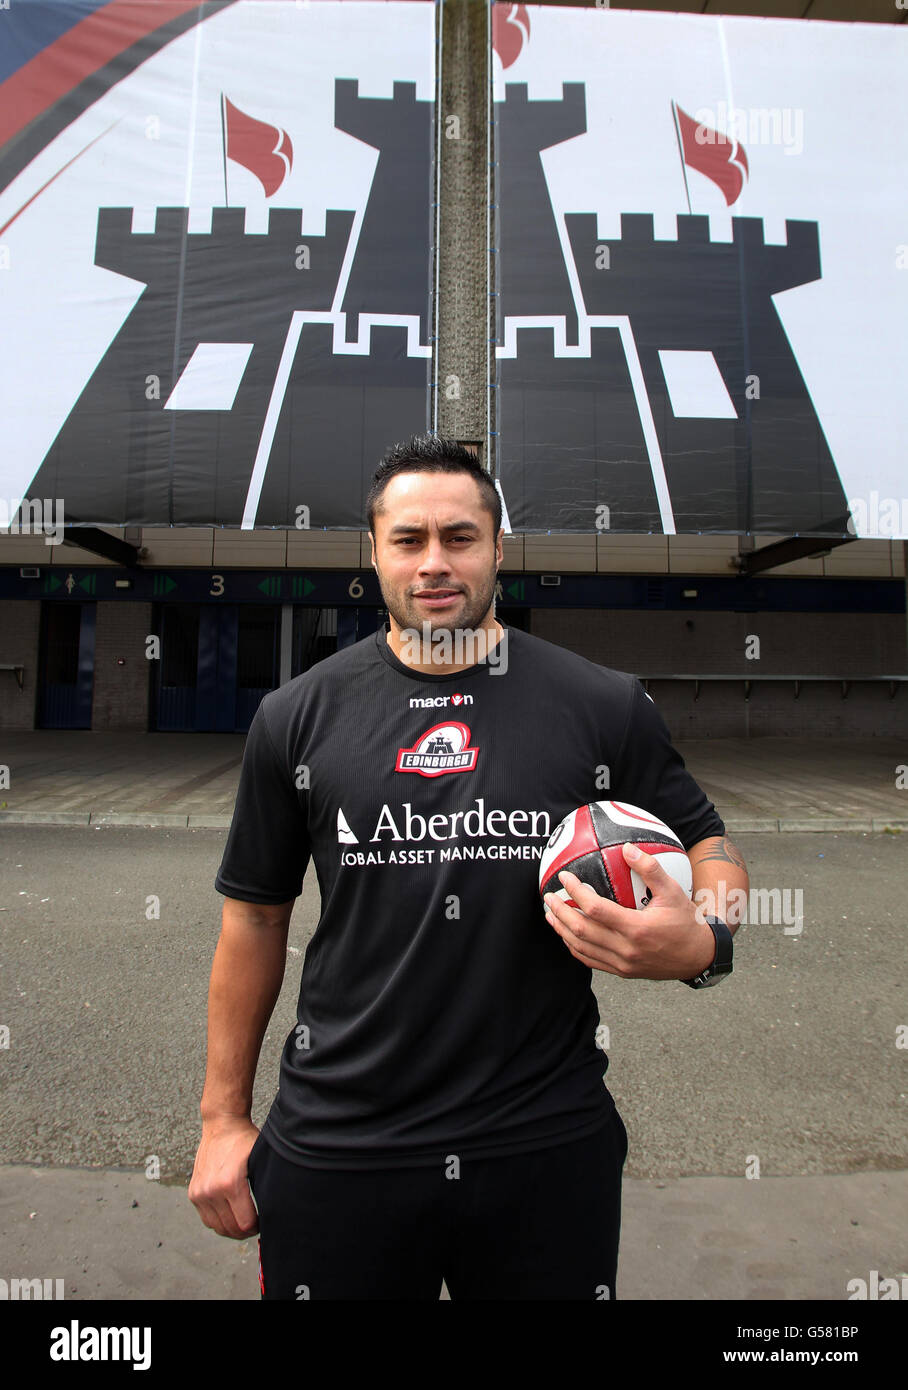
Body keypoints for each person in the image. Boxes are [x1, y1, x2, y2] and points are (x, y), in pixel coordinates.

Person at [188, 433, 749, 1300]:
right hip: (341, 1141)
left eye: (461, 537)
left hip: (542, 1140)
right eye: (408, 540)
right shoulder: (295, 717)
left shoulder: (599, 702)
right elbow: (256, 916)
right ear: (371, 552)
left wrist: (706, 945)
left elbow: (709, 845)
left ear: (498, 549)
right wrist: (223, 1119)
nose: (435, 563)